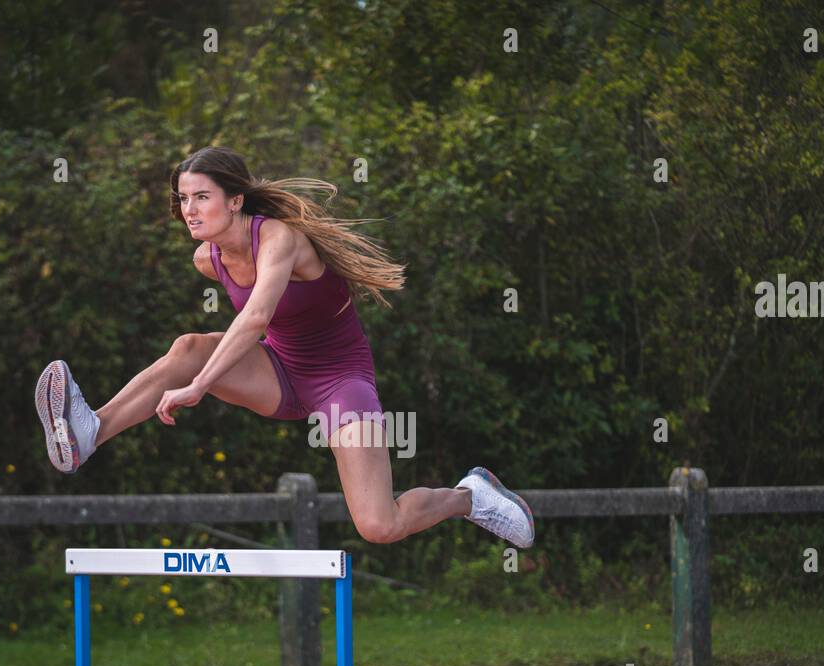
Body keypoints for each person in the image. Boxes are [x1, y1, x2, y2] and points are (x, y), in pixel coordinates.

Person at [35, 146, 533, 548]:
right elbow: (250, 333)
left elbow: (254, 318)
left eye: (201, 197)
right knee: (189, 346)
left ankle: (470, 497)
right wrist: (195, 374)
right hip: (279, 374)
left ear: (235, 200)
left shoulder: (279, 238)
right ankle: (89, 433)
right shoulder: (208, 259)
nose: (188, 210)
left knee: (380, 526)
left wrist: (198, 387)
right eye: (183, 199)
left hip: (340, 380)